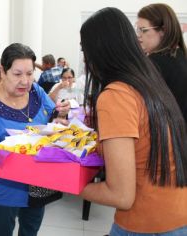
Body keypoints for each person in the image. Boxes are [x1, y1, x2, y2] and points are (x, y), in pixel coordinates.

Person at [78, 7, 187, 235]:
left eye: (84, 50)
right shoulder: (148, 80)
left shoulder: (116, 95)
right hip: (176, 212)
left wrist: (63, 182)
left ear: (98, 52)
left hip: (147, 222)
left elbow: (121, 196)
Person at [0, 43, 70, 236]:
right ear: (3, 70)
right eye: (17, 74)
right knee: (3, 232)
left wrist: (58, 119)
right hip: (5, 188)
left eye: (30, 73)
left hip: (39, 181)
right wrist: (23, 157)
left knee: (31, 229)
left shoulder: (35, 91)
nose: (25, 81)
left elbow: (50, 113)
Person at [137, 3, 187, 124]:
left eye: (143, 30)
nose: (138, 36)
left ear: (163, 31)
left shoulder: (155, 63)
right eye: (138, 30)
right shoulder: (180, 56)